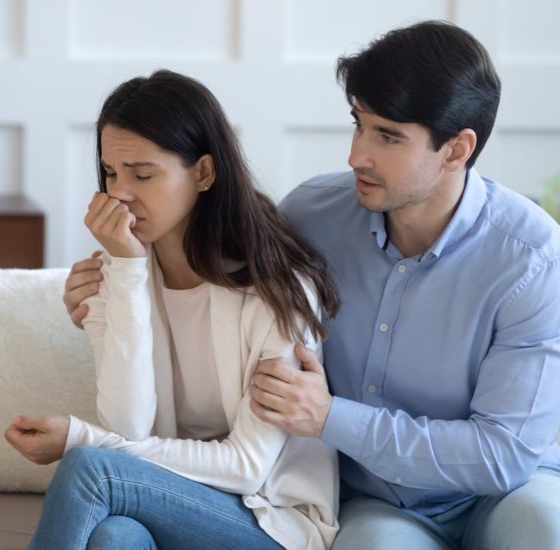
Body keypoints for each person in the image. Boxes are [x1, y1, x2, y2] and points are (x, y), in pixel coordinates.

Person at [64, 21, 560, 550]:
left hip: (506, 492)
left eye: (387, 136)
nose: (356, 155)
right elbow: (211, 276)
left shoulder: (532, 261)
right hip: (376, 501)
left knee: (544, 529)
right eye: (358, 124)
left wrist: (329, 417)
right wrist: (115, 295)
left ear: (457, 150)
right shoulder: (310, 215)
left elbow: (502, 457)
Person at [5, 69, 341, 549]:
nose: (119, 192)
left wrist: (83, 438)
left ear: (203, 173)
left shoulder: (277, 289)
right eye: (110, 173)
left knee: (88, 467)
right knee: (113, 537)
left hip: (271, 521)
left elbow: (248, 468)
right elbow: (128, 425)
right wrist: (125, 271)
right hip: (166, 500)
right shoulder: (115, 276)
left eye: (142, 174)